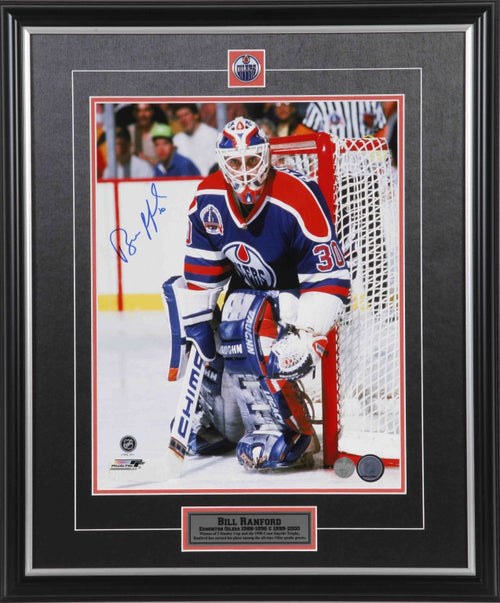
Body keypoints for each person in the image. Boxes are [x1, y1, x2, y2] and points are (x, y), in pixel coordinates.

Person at [163, 117, 350, 471]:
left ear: (266, 156)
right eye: (235, 162)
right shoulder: (208, 198)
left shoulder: (298, 195)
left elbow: (331, 279)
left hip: (296, 301)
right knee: (210, 323)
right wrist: (199, 328)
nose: (245, 171)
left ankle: (292, 430)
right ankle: (221, 424)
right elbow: (203, 279)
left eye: (252, 160)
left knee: (244, 313)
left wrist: (308, 335)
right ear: (222, 162)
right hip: (249, 299)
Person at [294, 99, 388, 138]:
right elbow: (302, 139)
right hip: (333, 171)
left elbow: (383, 136)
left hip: (367, 170)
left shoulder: (372, 102)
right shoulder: (320, 104)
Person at [172, 104, 219, 177]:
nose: (183, 119)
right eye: (179, 117)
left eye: (186, 114)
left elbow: (216, 165)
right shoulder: (176, 140)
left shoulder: (212, 134)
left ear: (196, 115)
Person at [128, 103, 161, 168]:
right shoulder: (129, 132)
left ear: (152, 112)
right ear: (135, 113)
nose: (143, 115)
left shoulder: (159, 130)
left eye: (146, 110)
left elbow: (165, 163)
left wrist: (146, 159)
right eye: (139, 111)